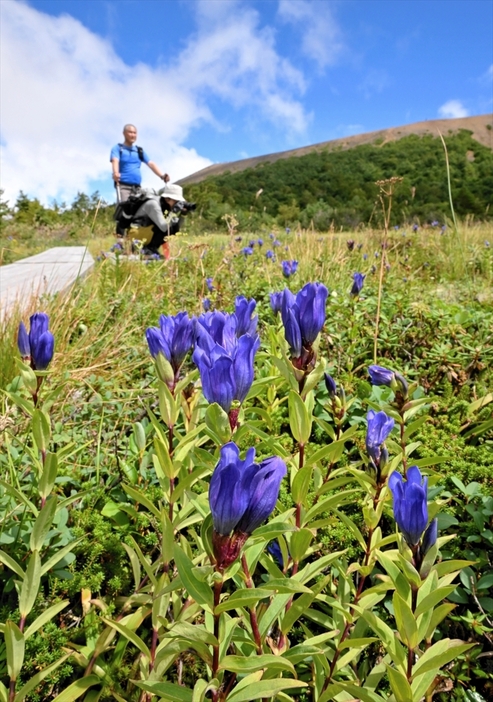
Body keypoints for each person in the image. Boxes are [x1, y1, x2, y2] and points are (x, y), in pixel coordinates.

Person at [110, 124, 169, 234]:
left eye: (135, 133)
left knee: (138, 212)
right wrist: (115, 173)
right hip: (123, 185)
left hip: (137, 188)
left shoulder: (139, 151)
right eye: (130, 132)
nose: (133, 135)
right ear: (124, 133)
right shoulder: (118, 148)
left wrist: (162, 175)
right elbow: (115, 160)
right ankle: (120, 238)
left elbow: (150, 163)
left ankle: (134, 238)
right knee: (126, 210)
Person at [128, 183, 195, 259]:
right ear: (167, 198)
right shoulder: (153, 204)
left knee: (173, 229)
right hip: (136, 233)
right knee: (163, 227)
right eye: (176, 200)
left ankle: (151, 249)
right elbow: (163, 227)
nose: (178, 203)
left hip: (145, 232)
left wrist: (183, 214)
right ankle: (140, 248)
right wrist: (173, 212)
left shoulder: (166, 206)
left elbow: (176, 228)